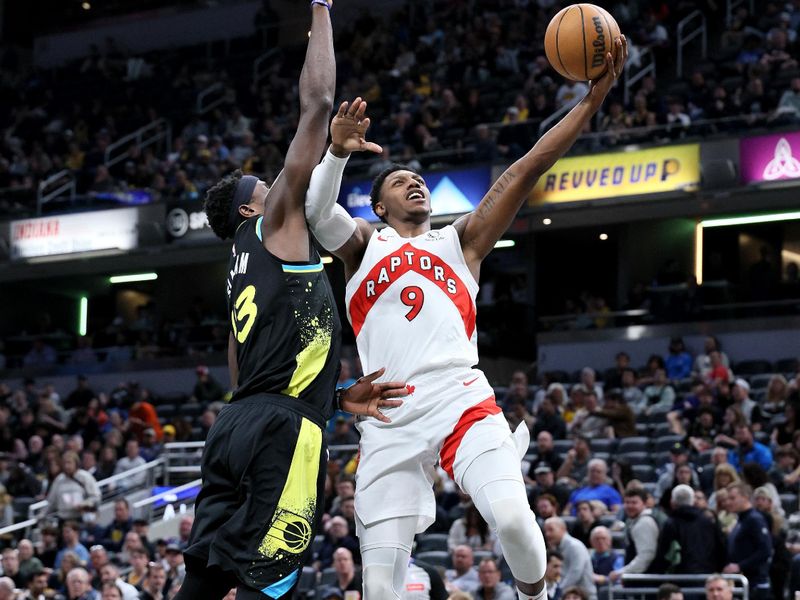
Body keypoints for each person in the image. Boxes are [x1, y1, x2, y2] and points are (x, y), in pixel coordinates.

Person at [304, 33, 627, 599]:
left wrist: (590, 102)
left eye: (420, 180)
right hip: (388, 416)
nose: (416, 184)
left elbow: (528, 167)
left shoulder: (463, 242)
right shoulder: (362, 245)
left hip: (459, 397)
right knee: (379, 588)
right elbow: (313, 210)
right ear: (379, 206)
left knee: (516, 525)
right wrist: (336, 152)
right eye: (402, 182)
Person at [173, 4, 406, 600]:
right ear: (255, 208)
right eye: (267, 185)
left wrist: (329, 396)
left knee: (203, 578)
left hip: (234, 425)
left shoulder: (237, 270)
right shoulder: (277, 221)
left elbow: (243, 367)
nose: (279, 185)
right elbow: (318, 102)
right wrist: (322, 7)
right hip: (282, 430)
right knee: (268, 583)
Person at [651, 484, 726, 574]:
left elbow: (664, 554)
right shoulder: (709, 521)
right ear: (693, 501)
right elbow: (721, 547)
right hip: (707, 575)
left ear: (672, 502)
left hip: (680, 577)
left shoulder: (670, 524)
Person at [724, 483, 772, 599]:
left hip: (755, 584)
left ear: (745, 497)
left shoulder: (754, 519)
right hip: (744, 582)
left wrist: (740, 566)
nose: (729, 502)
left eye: (732, 498)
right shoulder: (741, 520)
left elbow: (765, 550)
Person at [609, 489, 659, 581]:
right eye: (627, 502)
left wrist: (621, 572)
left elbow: (646, 556)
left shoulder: (644, 523)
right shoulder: (635, 521)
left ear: (644, 504)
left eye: (634, 502)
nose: (630, 506)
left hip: (644, 580)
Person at [543, 518, 596, 600]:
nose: (547, 534)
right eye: (546, 531)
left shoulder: (575, 546)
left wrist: (558, 591)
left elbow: (575, 573)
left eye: (551, 530)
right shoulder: (555, 548)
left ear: (563, 529)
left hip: (584, 596)